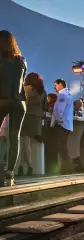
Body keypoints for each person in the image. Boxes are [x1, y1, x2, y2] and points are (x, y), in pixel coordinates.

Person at [0, 30, 27, 186]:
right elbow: (21, 81)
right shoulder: (22, 60)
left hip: (2, 99)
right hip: (19, 102)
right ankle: (10, 175)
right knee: (14, 136)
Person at [18, 72, 47, 176]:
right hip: (37, 120)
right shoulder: (43, 92)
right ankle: (23, 167)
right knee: (27, 144)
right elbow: (45, 108)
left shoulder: (26, 89)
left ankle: (29, 166)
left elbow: (21, 102)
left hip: (26, 117)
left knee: (25, 145)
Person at [51, 79, 74, 175]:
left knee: (61, 147)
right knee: (63, 147)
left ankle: (67, 169)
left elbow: (59, 110)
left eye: (55, 85)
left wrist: (56, 121)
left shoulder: (62, 95)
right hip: (67, 124)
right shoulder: (68, 94)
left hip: (62, 124)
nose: (55, 87)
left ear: (60, 84)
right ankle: (66, 168)